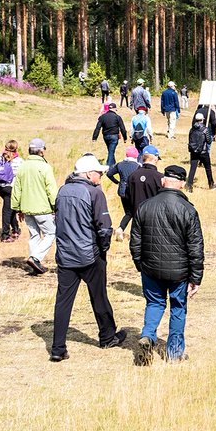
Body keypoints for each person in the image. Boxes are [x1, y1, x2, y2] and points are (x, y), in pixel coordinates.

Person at [49, 154, 124, 361]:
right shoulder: (94, 192)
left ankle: (57, 348)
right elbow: (104, 227)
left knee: (63, 302)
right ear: (89, 174)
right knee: (99, 297)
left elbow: (57, 219)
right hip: (90, 255)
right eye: (98, 172)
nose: (101, 175)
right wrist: (104, 249)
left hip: (65, 255)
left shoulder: (62, 190)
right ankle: (107, 337)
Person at [130, 164, 204, 365]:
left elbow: (135, 241)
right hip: (179, 272)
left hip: (151, 269)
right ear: (181, 184)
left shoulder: (145, 206)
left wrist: (140, 264)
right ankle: (174, 353)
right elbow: (195, 247)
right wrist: (196, 277)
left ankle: (148, 335)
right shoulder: (188, 210)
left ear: (163, 181)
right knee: (178, 308)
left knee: (154, 303)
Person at [11, 138, 57, 275]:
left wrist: (17, 208)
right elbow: (51, 190)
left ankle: (34, 263)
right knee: (51, 233)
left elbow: (16, 189)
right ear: (41, 151)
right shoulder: (45, 167)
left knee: (34, 235)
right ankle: (35, 258)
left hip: (26, 208)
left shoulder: (22, 166)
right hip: (42, 208)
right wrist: (56, 206)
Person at [106, 146, 141, 239]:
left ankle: (120, 229)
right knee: (136, 213)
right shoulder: (138, 166)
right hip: (134, 192)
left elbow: (109, 174)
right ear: (136, 156)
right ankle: (134, 234)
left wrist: (117, 182)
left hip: (122, 191)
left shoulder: (120, 164)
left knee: (128, 213)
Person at [186, 114, 216, 192]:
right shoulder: (205, 129)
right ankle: (211, 184)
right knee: (208, 168)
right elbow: (209, 141)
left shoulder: (192, 129)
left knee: (192, 169)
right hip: (203, 151)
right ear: (202, 119)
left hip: (193, 151)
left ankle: (189, 186)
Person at [91, 103, 128, 168]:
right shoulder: (117, 117)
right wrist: (125, 138)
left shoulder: (103, 117)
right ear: (115, 108)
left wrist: (94, 137)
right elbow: (122, 128)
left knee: (110, 150)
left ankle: (113, 165)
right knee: (111, 151)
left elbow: (98, 128)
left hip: (106, 136)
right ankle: (108, 167)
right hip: (114, 136)